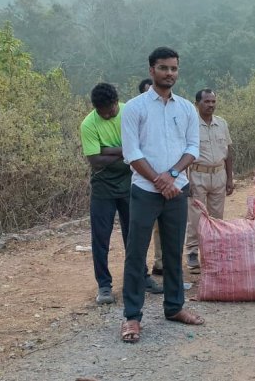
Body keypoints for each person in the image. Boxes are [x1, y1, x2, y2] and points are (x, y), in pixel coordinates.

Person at [119, 47, 204, 343]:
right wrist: (159, 179)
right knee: (136, 252)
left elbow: (193, 148)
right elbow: (132, 154)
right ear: (151, 69)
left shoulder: (186, 109)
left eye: (174, 68)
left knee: (173, 251)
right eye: (164, 68)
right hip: (144, 191)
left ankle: (174, 307)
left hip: (175, 192)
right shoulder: (135, 107)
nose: (170, 73)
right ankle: (132, 316)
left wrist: (171, 176)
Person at [80, 83, 162, 306]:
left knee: (134, 234)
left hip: (131, 182)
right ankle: (104, 285)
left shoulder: (130, 111)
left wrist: (108, 150)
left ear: (116, 102)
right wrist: (127, 151)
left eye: (110, 109)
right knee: (100, 237)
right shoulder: (88, 124)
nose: (107, 114)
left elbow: (142, 147)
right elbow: (95, 162)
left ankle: (141, 277)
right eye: (102, 112)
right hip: (103, 187)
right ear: (95, 108)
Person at [184, 88, 234, 270]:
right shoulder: (190, 125)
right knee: (196, 217)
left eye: (213, 101)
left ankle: (214, 251)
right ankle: (192, 252)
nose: (211, 105)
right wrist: (185, 179)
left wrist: (230, 178)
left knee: (216, 217)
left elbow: (228, 152)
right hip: (197, 174)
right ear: (197, 103)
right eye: (207, 102)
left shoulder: (222, 124)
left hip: (219, 174)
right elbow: (182, 153)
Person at [139, 78, 165, 276]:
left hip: (169, 183)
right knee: (144, 230)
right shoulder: (137, 112)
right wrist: (157, 179)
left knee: (166, 228)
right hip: (144, 184)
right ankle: (143, 271)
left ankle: (162, 264)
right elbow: (131, 152)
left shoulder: (172, 114)